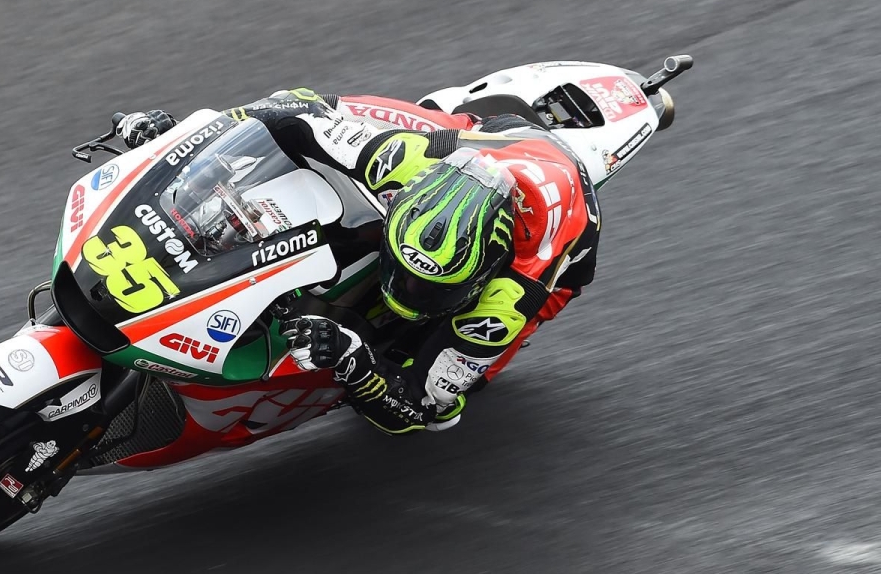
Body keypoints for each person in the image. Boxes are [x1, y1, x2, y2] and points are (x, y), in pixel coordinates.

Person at [115, 88, 600, 435]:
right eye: (403, 275)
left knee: (446, 383)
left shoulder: (515, 289)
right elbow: (289, 110)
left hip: (566, 235)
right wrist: (184, 141)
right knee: (322, 113)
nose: (404, 292)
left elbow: (423, 408)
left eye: (428, 288)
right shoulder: (397, 159)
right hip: (477, 142)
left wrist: (354, 360)